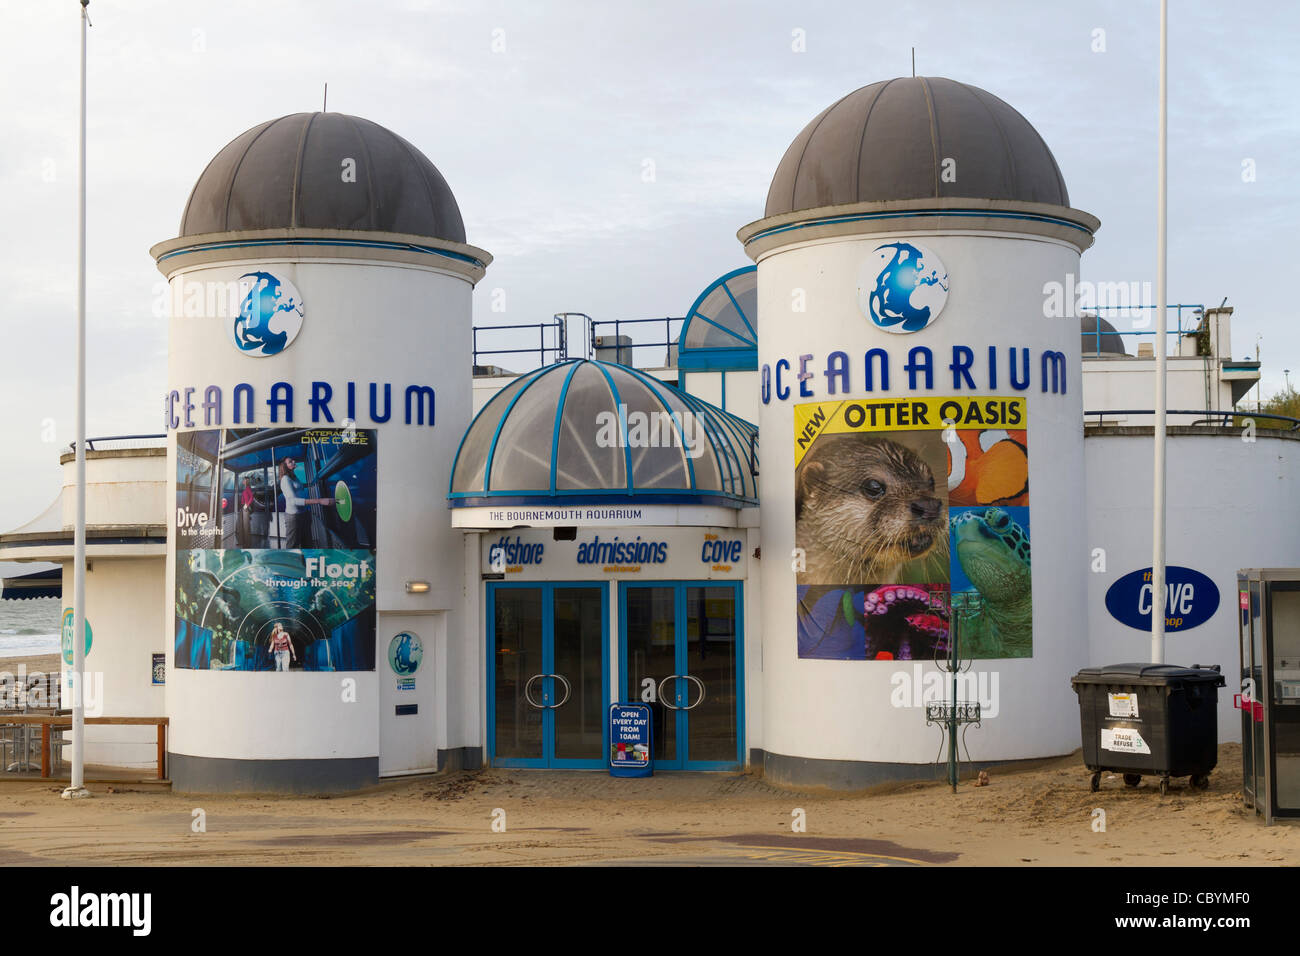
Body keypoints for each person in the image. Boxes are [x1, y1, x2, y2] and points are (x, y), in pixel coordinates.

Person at [278, 456, 332, 548]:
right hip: (294, 517)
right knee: (292, 545)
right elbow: (293, 501)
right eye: (290, 462)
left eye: (293, 460)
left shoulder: (294, 477)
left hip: (304, 514)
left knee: (307, 543)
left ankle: (306, 561)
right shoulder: (285, 479)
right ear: (285, 466)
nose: (294, 461)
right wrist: (319, 501)